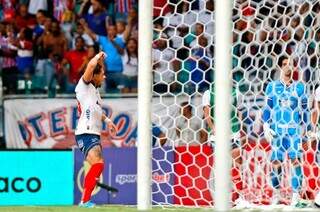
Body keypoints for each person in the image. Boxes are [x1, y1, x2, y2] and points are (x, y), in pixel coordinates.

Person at [262, 55, 309, 207]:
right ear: (280, 67)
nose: (287, 66)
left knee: (296, 161)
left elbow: (305, 111)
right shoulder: (272, 87)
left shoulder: (300, 87)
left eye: (290, 64)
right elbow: (267, 109)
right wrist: (266, 125)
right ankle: (276, 195)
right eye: (284, 63)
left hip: (294, 132)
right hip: (277, 132)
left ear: (294, 67)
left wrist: (306, 130)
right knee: (276, 163)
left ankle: (295, 196)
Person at [75, 51, 117, 208]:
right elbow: (91, 66)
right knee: (98, 163)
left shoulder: (95, 93)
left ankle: (85, 200)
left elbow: (97, 111)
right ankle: (84, 201)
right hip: (85, 132)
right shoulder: (84, 85)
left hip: (93, 132)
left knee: (97, 166)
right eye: (102, 74)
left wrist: (108, 121)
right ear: (94, 76)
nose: (104, 77)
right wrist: (98, 56)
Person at [202, 83, 249, 208]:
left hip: (233, 132)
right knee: (220, 166)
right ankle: (220, 198)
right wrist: (213, 129)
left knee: (237, 161)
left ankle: (239, 197)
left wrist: (240, 127)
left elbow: (239, 111)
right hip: (218, 135)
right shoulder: (209, 93)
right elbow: (206, 113)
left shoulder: (236, 92)